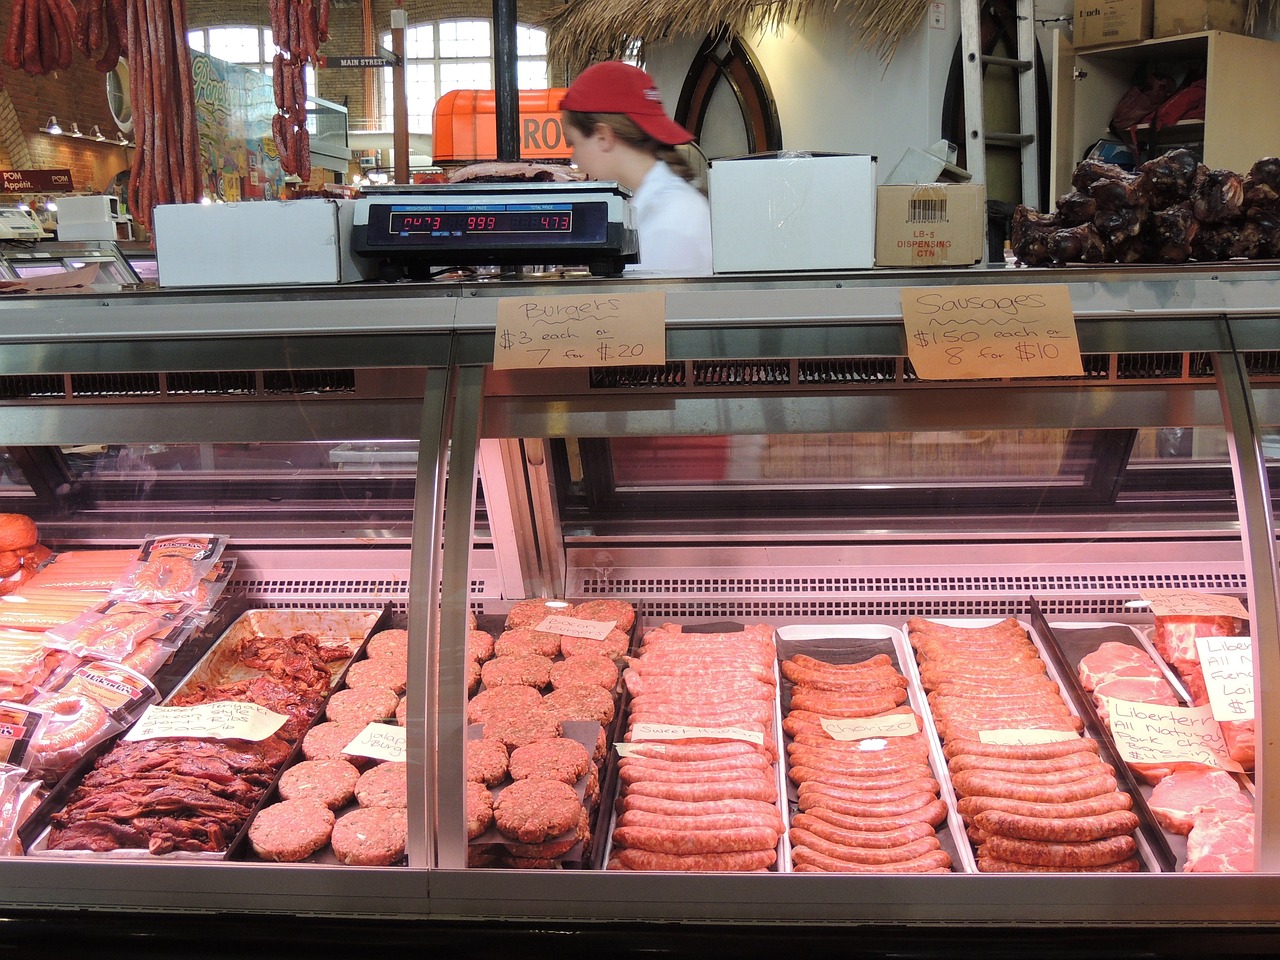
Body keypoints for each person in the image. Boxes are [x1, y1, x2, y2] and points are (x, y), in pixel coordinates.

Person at [560, 61, 713, 276]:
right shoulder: (653, 207)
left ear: (603, 137)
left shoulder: (672, 220)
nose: (574, 159)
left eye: (573, 144)